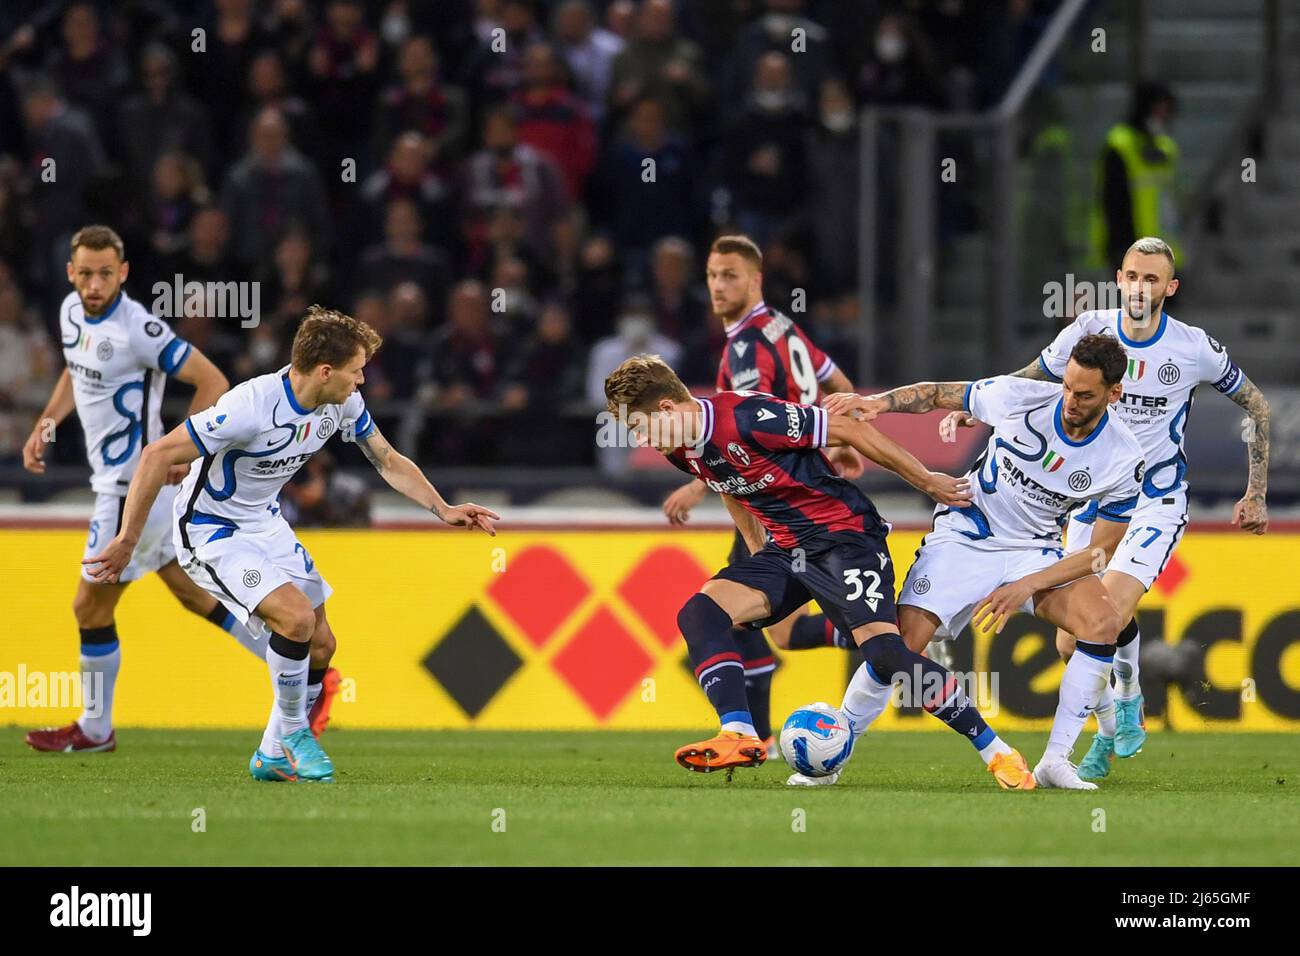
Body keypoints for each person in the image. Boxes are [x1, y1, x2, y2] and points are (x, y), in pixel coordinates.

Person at [84, 306, 500, 782]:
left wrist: (442, 508)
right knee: (297, 618)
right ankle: (295, 733)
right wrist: (127, 538)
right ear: (325, 371)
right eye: (356, 371)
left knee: (323, 644)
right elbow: (157, 455)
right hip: (210, 529)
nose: (361, 381)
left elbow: (386, 459)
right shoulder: (250, 408)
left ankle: (270, 754)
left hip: (266, 522)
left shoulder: (340, 403)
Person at [604, 354, 1038, 789]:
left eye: (638, 427)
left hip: (845, 539)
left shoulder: (747, 416)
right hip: (788, 550)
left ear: (665, 409)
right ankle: (739, 732)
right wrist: (758, 552)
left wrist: (926, 480)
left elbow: (849, 427)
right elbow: (729, 487)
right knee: (700, 613)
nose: (640, 439)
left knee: (887, 657)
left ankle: (997, 751)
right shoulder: (680, 448)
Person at [939, 237, 1271, 779]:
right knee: (1071, 640)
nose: (1141, 288)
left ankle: (1123, 705)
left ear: (1171, 287)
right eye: (1133, 277)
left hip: (1152, 502)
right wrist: (979, 406)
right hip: (1089, 498)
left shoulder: (1193, 349)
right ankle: (1116, 718)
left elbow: (1256, 404)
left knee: (1109, 614)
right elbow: (1040, 374)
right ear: (1119, 278)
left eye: (1152, 280)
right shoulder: (1089, 331)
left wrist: (1255, 490)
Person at [825, 334, 1146, 790]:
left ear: (1114, 393)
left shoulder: (1123, 457)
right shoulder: (1019, 398)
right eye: (1068, 387)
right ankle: (833, 753)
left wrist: (1029, 584)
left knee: (1103, 622)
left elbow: (1100, 554)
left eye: (1086, 394)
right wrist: (877, 403)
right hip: (966, 534)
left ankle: (1056, 761)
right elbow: (938, 393)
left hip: (1033, 549)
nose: (1071, 401)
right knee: (899, 647)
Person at [22, 225, 265, 755]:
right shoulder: (70, 314)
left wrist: (188, 446)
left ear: (123, 273)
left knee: (89, 607)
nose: (93, 284)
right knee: (192, 594)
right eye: (84, 273)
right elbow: (75, 371)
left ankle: (94, 728)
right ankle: (303, 671)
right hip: (129, 487)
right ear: (71, 272)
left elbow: (213, 381)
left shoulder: (139, 330)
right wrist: (45, 424)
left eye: (105, 274)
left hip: (130, 487)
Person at [659, 235, 861, 753]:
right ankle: (877, 638)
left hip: (769, 496)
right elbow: (836, 380)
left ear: (755, 280)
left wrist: (695, 484)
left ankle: (752, 733)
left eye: (730, 275)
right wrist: (841, 433)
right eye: (711, 275)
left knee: (721, 611)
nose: (718, 285)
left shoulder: (746, 344)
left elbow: (747, 429)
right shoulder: (784, 326)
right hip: (802, 488)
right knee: (783, 631)